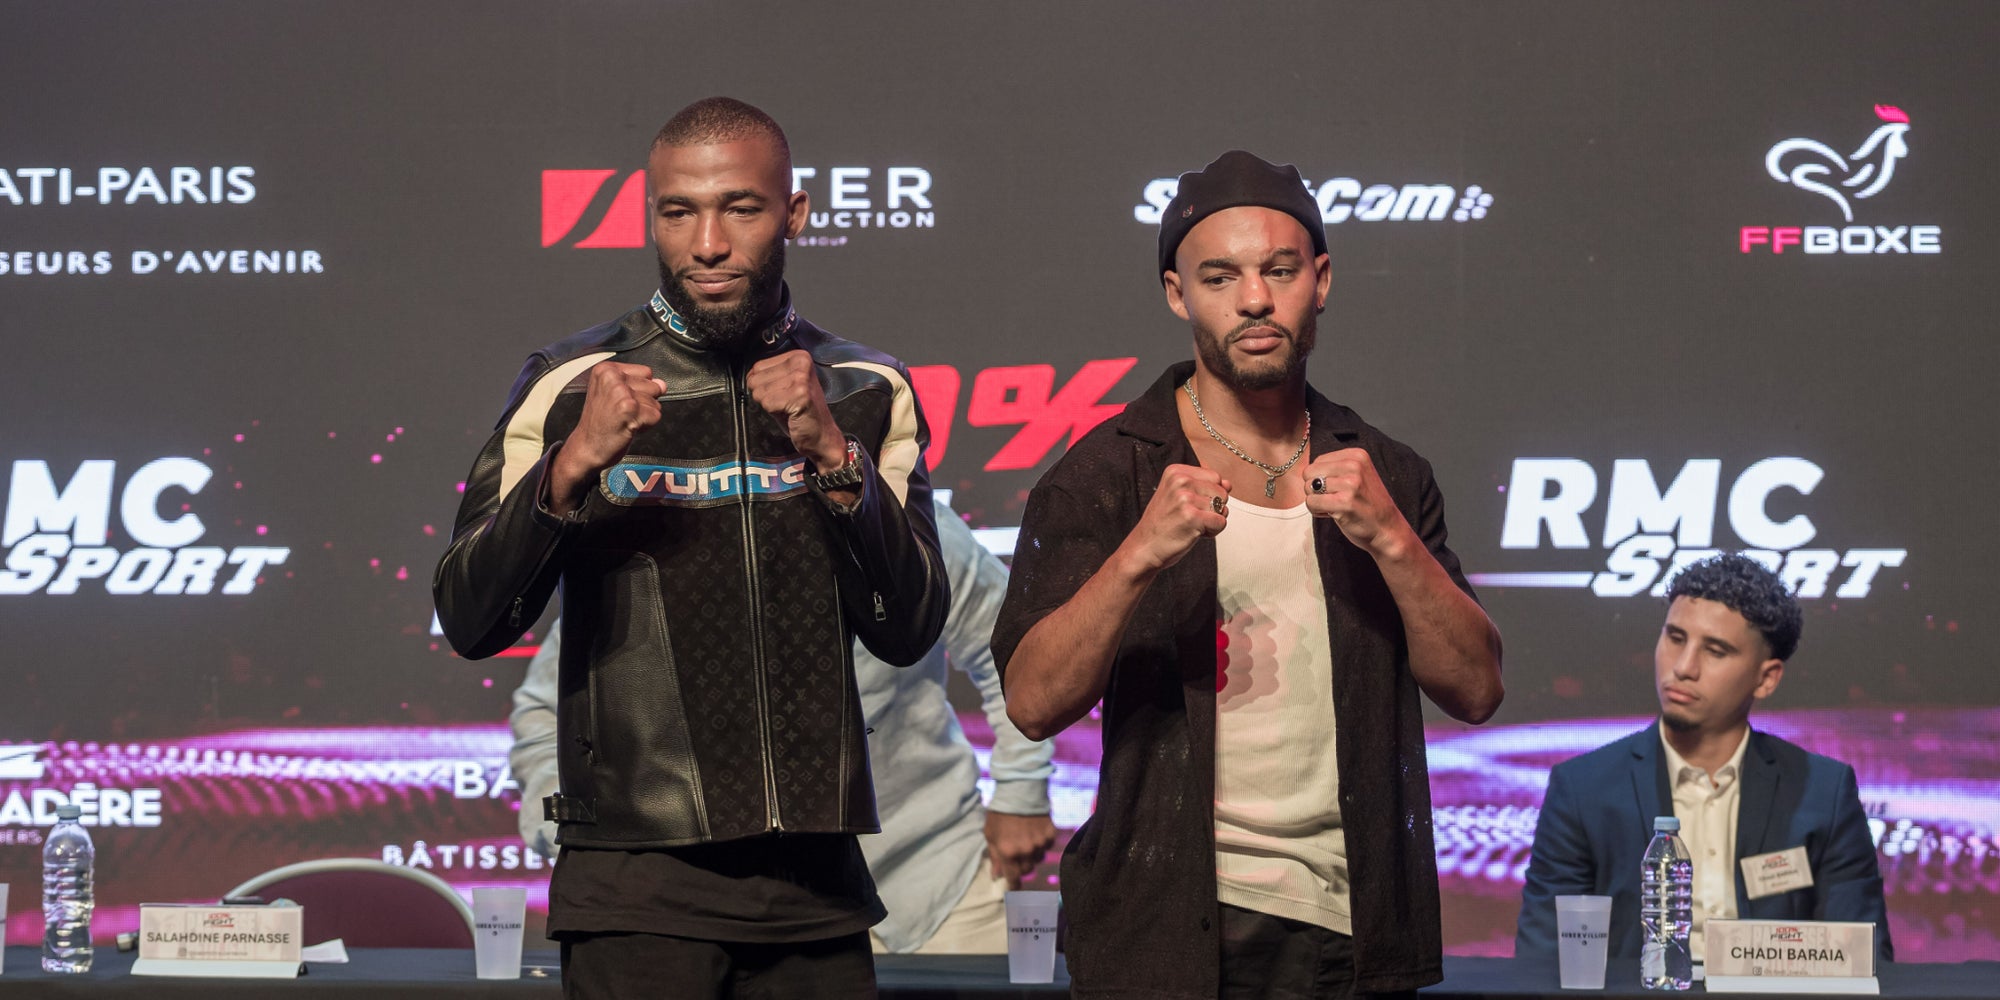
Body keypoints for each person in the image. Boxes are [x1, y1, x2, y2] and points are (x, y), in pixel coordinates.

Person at [433, 96, 948, 999]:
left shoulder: (865, 391)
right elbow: (471, 619)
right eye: (679, 212)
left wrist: (834, 459)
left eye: (739, 208)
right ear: (651, 216)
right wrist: (571, 467)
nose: (707, 242)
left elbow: (906, 629)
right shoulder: (569, 386)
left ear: (793, 215)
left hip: (815, 895)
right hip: (633, 892)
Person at [992, 150, 1504, 1000]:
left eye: (1280, 270)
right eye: (1221, 276)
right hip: (1166, 930)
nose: (1256, 299)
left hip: (1355, 925)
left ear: (1322, 279)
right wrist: (1141, 552)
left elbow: (1478, 689)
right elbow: (1033, 702)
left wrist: (1392, 539)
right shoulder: (1104, 476)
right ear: (1176, 292)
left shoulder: (1388, 475)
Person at [511, 496, 1057, 955]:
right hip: (734, 902)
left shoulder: (898, 520)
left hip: (936, 877)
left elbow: (1008, 646)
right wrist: (571, 828)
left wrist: (1022, 792)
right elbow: (546, 705)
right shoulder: (658, 542)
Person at [1516, 553, 1892, 966]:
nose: (1682, 667)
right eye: (1675, 638)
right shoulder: (1583, 789)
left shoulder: (1822, 792)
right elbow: (1544, 961)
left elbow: (1863, 959)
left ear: (1766, 678)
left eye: (1715, 650)